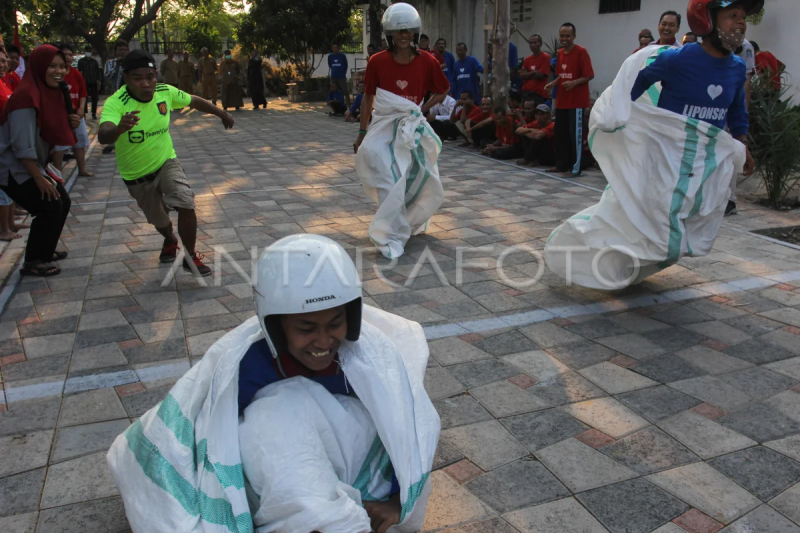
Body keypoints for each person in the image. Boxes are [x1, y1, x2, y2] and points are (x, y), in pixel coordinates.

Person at [97, 49, 234, 276]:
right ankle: (170, 240)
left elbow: (195, 101)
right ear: (126, 79)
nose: (145, 84)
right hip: (136, 174)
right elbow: (103, 134)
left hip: (166, 162)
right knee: (160, 221)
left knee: (185, 202)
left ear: (155, 77)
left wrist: (221, 114)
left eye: (149, 77)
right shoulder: (116, 102)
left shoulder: (164, 92)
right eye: (137, 78)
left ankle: (189, 257)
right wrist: (119, 128)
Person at [631, 0, 756, 216]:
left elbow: (737, 111)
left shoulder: (737, 68)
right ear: (706, 20)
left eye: (743, 17)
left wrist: (743, 143)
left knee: (693, 227)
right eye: (733, 15)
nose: (741, 23)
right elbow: (638, 82)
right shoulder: (676, 60)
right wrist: (625, 117)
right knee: (656, 223)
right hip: (666, 162)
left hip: (704, 167)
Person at [0, 45, 76, 276]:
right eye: (52, 66)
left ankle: (46, 250)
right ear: (39, 67)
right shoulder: (25, 97)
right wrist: (38, 178)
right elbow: (21, 145)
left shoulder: (48, 93)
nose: (59, 71)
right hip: (12, 167)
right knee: (49, 204)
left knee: (62, 199)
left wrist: (69, 121)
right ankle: (33, 261)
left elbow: (49, 129)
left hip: (33, 164)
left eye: (62, 66)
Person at [353, 4, 451, 153]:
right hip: (383, 128)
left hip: (413, 129)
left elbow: (444, 89)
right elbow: (368, 97)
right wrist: (362, 132)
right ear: (390, 33)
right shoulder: (376, 61)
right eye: (398, 31)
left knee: (413, 173)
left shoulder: (428, 61)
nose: (403, 35)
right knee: (378, 168)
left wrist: (421, 109)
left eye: (408, 31)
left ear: (414, 33)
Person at [544, 23, 594, 176]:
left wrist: (574, 83)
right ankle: (561, 164)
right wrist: (552, 84)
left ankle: (576, 167)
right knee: (561, 133)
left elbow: (589, 75)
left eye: (567, 36)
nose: (564, 39)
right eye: (562, 35)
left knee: (575, 134)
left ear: (574, 36)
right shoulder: (559, 53)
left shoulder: (581, 52)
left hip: (576, 101)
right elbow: (561, 74)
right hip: (562, 100)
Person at [0, 47, 29, 242]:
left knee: (7, 186)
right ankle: (3, 229)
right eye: (1, 61)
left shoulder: (4, 83)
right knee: (2, 189)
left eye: (4, 60)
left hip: (7, 142)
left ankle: (10, 223)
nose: (4, 64)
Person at [52, 43, 93, 178]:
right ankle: (57, 175)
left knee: (80, 142)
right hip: (60, 117)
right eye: (65, 55)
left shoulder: (76, 74)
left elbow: (83, 93)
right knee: (59, 146)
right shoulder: (55, 75)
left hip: (76, 115)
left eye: (70, 54)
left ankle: (82, 169)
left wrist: (81, 109)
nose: (68, 57)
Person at [102, 40, 129, 154]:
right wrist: (117, 66)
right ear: (115, 51)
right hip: (116, 95)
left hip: (129, 95)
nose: (123, 52)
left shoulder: (130, 62)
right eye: (120, 50)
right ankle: (112, 142)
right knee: (115, 118)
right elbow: (108, 76)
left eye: (124, 50)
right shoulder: (110, 63)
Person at [516, 103, 556, 167]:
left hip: (551, 154)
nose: (539, 117)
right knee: (524, 135)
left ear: (549, 115)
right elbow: (518, 130)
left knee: (538, 138)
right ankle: (531, 159)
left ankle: (529, 159)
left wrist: (529, 131)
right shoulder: (536, 123)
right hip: (539, 151)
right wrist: (529, 130)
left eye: (542, 114)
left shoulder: (552, 125)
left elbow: (539, 136)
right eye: (537, 114)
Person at [520, 34, 551, 107]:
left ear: (540, 44)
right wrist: (534, 72)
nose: (533, 45)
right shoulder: (527, 59)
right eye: (531, 43)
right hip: (526, 93)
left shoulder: (545, 57)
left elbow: (541, 75)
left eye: (535, 42)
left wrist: (528, 74)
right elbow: (522, 76)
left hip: (538, 94)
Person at [77, 46, 102, 119]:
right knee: (84, 98)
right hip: (85, 82)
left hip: (94, 82)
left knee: (95, 98)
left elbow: (98, 73)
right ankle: (84, 113)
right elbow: (79, 72)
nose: (88, 52)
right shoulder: (81, 61)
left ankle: (93, 113)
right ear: (85, 51)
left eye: (90, 51)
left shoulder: (94, 61)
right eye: (87, 50)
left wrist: (99, 83)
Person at [328, 43, 350, 108]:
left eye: (336, 48)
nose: (335, 49)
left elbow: (345, 65)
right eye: (334, 48)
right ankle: (335, 107)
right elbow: (330, 65)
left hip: (341, 76)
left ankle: (349, 106)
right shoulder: (330, 56)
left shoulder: (342, 56)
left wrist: (343, 73)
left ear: (338, 48)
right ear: (332, 49)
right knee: (333, 91)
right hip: (333, 76)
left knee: (345, 91)